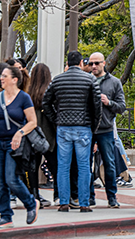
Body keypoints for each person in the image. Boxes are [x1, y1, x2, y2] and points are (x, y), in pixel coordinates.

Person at [42, 51, 100, 213]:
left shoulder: (58, 80)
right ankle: (83, 203)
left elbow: (46, 102)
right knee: (83, 167)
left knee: (63, 166)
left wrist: (56, 119)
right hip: (83, 127)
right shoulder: (90, 79)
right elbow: (97, 106)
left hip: (63, 127)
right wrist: (93, 126)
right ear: (81, 63)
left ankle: (64, 202)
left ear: (68, 63)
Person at [0, 66, 39, 227]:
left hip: (15, 145)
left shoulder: (24, 98)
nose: (1, 78)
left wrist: (19, 132)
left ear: (14, 79)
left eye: (5, 76)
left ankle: (31, 204)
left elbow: (32, 122)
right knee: (0, 182)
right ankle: (6, 216)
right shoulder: (0, 97)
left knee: (11, 179)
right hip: (0, 142)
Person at [87, 52, 126, 208]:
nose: (94, 66)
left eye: (97, 63)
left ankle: (112, 197)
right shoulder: (86, 80)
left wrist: (108, 102)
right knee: (86, 164)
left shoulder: (114, 82)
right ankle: (89, 196)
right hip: (88, 129)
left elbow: (122, 107)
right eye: (91, 64)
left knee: (109, 164)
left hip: (106, 129)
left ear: (104, 63)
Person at [25, 64, 54, 208]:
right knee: (55, 165)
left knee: (33, 167)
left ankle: (34, 195)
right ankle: (59, 195)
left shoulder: (28, 93)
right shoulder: (50, 91)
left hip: (33, 134)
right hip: (48, 134)